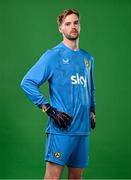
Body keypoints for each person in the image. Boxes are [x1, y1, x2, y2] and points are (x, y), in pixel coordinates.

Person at [20, 9, 96, 180]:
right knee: (53, 178)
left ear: (80, 25)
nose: (73, 26)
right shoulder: (52, 56)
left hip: (82, 131)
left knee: (76, 178)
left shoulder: (87, 58)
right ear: (60, 28)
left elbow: (90, 88)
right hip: (62, 130)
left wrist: (92, 109)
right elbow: (27, 82)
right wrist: (49, 109)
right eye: (68, 24)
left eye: (76, 22)